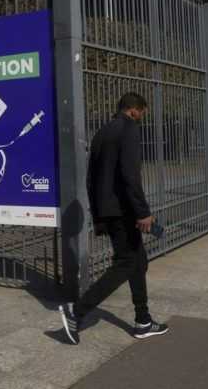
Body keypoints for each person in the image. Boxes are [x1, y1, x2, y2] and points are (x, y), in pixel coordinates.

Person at [58, 92, 169, 345]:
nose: (141, 118)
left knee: (138, 261)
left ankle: (143, 320)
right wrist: (142, 212)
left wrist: (99, 216)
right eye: (142, 113)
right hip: (124, 211)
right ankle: (76, 311)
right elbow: (130, 175)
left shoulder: (101, 133)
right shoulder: (128, 129)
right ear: (133, 110)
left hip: (110, 210)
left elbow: (91, 179)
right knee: (126, 263)